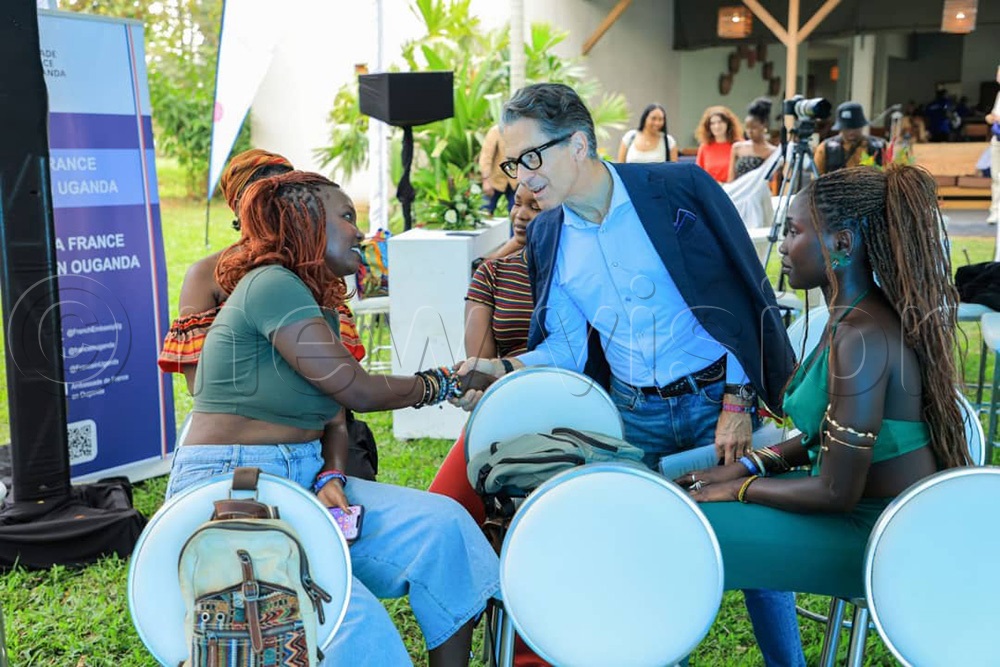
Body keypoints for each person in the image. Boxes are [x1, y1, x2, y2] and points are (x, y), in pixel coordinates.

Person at [454, 83, 803, 666]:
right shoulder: (546, 234)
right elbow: (565, 346)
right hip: (630, 416)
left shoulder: (677, 189)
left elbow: (743, 296)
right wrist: (500, 368)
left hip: (715, 403)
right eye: (514, 164)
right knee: (648, 555)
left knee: (757, 560)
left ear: (580, 144)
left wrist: (739, 401)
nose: (521, 178)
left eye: (531, 158)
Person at [166, 170, 500, 666]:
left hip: (301, 477)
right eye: (347, 216)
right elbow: (356, 388)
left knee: (444, 530)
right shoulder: (270, 285)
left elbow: (336, 416)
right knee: (355, 629)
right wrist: (445, 382)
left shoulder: (311, 297)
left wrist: (333, 472)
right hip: (234, 488)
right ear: (306, 222)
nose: (360, 232)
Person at [677, 164, 968, 603]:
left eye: (793, 232)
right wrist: (748, 466)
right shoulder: (851, 317)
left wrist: (737, 489)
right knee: (680, 519)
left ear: (842, 243)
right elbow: (825, 436)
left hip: (878, 538)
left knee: (680, 529)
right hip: (856, 515)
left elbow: (836, 492)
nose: (783, 246)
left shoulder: (862, 336)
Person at [158, 148, 377, 480]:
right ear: (241, 207)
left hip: (322, 434)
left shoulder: (316, 271)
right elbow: (199, 384)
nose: (275, 208)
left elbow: (343, 376)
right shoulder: (206, 275)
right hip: (241, 442)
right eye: (264, 197)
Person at [813, 102, 886, 175]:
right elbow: (816, 177)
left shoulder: (880, 146)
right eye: (847, 128)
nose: (851, 132)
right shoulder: (825, 148)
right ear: (840, 128)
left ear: (861, 126)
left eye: (855, 128)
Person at [728, 97, 777, 181]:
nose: (750, 131)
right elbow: (731, 178)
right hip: (737, 190)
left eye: (754, 128)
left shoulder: (772, 151)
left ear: (764, 125)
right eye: (747, 128)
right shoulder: (737, 147)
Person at [695, 105, 742, 183]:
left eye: (720, 122)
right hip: (711, 190)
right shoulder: (704, 147)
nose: (716, 126)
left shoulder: (739, 145)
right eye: (712, 123)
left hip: (735, 190)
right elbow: (698, 175)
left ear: (728, 124)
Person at [479, 124, 518, 215]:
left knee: (517, 215)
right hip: (495, 180)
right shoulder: (495, 131)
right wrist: (486, 180)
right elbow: (486, 157)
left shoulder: (522, 131)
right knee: (484, 211)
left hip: (515, 181)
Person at [987, 64, 1000, 226]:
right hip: (997, 139)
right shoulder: (999, 95)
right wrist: (991, 118)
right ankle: (995, 211)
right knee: (996, 177)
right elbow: (993, 116)